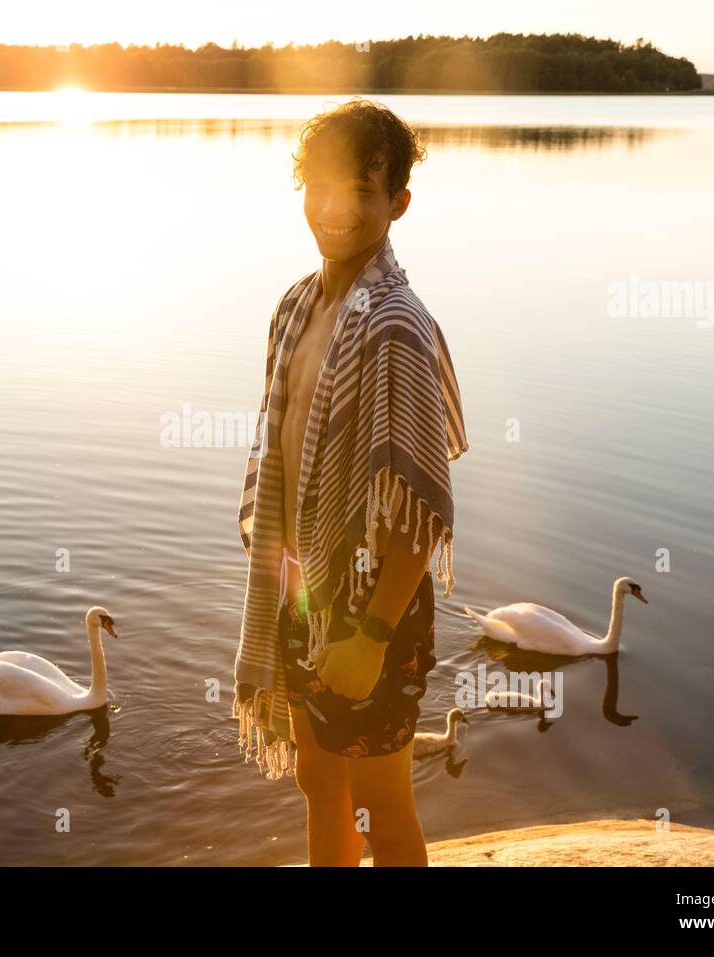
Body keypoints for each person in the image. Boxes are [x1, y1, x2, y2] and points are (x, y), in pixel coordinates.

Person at [232, 97, 468, 866]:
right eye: (323, 186)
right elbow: (279, 460)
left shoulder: (394, 323)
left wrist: (370, 634)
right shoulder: (297, 307)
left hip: (374, 606)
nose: (338, 209)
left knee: (379, 805)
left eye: (364, 191)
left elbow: (421, 503)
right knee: (317, 778)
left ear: (399, 201)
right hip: (305, 591)